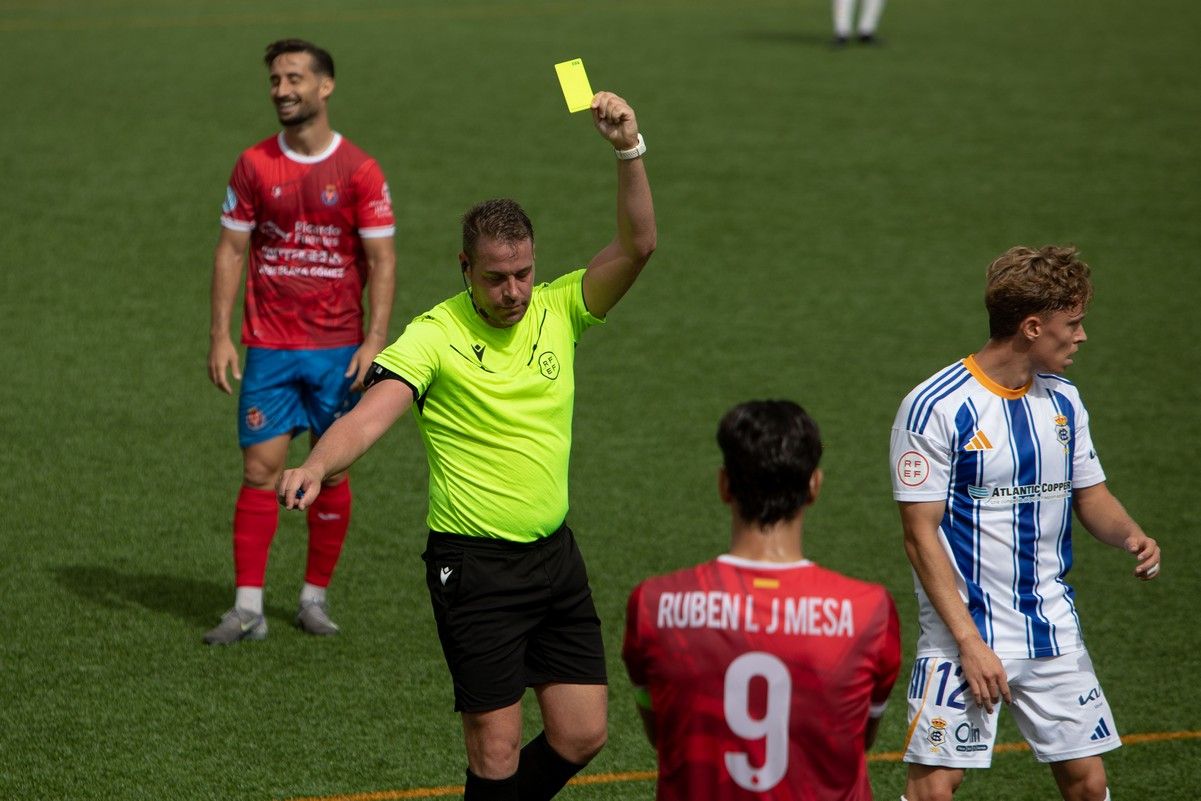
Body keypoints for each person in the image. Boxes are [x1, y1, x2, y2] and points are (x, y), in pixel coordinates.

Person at [276, 90, 655, 800]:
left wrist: (627, 149)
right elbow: (369, 416)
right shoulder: (434, 335)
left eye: (522, 273)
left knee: (581, 733)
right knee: (496, 749)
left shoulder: (559, 308)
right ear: (463, 266)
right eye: (495, 278)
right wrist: (318, 463)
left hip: (554, 558)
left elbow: (639, 246)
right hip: (474, 566)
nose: (513, 291)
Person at [888, 245, 1162, 801]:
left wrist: (1130, 533)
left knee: (1088, 783)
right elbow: (920, 535)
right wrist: (969, 641)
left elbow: (1092, 495)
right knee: (935, 789)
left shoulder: (1064, 402)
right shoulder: (935, 407)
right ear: (1033, 327)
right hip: (960, 633)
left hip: (1050, 629)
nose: (1082, 336)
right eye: (1074, 323)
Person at [204, 39, 397, 645]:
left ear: (325, 86)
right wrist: (220, 335)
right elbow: (232, 248)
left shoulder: (360, 171)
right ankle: (248, 608)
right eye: (274, 80)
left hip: (338, 349)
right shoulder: (254, 165)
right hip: (269, 345)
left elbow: (382, 260)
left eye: (293, 78)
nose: (281, 90)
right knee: (260, 470)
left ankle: (313, 599)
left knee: (331, 473)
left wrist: (375, 338)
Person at [623, 400, 902, 801]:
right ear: (814, 486)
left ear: (723, 485)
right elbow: (859, 737)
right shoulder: (868, 612)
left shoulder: (653, 605)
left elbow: (662, 734)